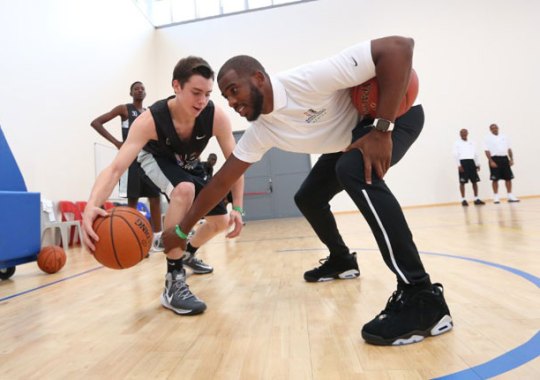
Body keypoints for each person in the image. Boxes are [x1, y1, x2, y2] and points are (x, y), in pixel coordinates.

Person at [162, 36, 453, 346]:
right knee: (308, 197)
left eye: (234, 91)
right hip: (351, 138)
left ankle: (421, 295)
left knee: (352, 169)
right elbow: (220, 182)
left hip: (395, 117)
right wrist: (181, 230)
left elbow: (399, 47)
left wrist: (383, 128)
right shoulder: (262, 131)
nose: (231, 103)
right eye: (226, 97)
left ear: (259, 78)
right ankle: (342, 259)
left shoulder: (310, 79)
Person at [82, 57, 245, 316]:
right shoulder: (150, 120)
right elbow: (115, 168)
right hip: (155, 159)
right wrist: (92, 205)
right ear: (176, 86)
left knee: (220, 221)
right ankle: (173, 280)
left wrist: (238, 207)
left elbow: (237, 163)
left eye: (207, 94)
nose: (202, 101)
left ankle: (188, 252)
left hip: (188, 167)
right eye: (195, 93)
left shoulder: (215, 117)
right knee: (184, 191)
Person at [90, 81, 163, 251]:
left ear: (145, 93)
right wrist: (116, 142)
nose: (140, 90)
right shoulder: (124, 109)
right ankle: (132, 239)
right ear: (131, 93)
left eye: (142, 88)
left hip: (149, 160)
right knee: (133, 200)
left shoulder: (148, 113)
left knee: (155, 198)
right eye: (136, 88)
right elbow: (96, 122)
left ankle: (157, 240)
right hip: (131, 160)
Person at [484, 123, 519, 204]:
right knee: (495, 179)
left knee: (508, 178)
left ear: (498, 128)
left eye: (495, 128)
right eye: (492, 128)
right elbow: (486, 150)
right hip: (494, 159)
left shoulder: (504, 137)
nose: (494, 129)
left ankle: (510, 196)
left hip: (504, 158)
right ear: (490, 130)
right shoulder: (487, 138)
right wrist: (491, 161)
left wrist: (511, 159)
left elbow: (509, 149)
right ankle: (496, 197)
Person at [452, 129, 485, 206]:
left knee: (474, 181)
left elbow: (476, 153)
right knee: (462, 182)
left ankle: (476, 199)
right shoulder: (457, 143)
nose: (463, 134)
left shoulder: (472, 142)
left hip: (471, 162)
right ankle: (463, 200)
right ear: (460, 134)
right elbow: (455, 154)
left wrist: (477, 163)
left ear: (467, 133)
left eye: (465, 132)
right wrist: (459, 165)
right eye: (462, 133)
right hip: (463, 162)